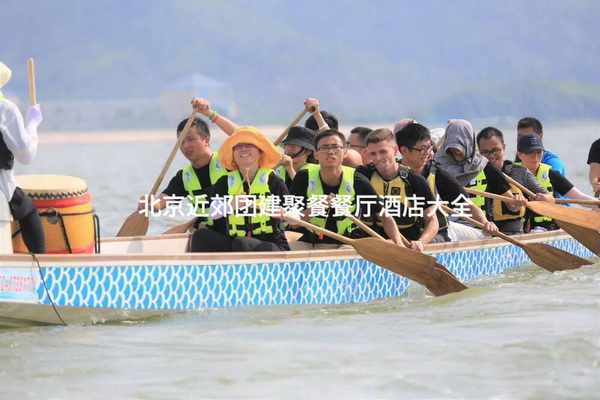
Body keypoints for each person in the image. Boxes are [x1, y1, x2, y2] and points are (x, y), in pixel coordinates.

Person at [289, 129, 404, 250]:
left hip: (346, 243)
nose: (330, 152)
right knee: (284, 250)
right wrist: (317, 207)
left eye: (335, 147)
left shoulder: (357, 179)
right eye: (324, 148)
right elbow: (294, 223)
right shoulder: (304, 177)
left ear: (344, 152)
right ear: (316, 154)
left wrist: (399, 245)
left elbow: (384, 217)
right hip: (310, 242)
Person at [137, 98, 236, 232]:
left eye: (190, 139)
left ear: (206, 141)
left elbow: (244, 136)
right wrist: (150, 204)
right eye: (181, 142)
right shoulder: (184, 177)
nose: (186, 146)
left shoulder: (228, 160)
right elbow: (161, 202)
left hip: (238, 230)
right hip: (208, 233)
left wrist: (210, 113)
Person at [191, 126, 291, 252]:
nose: (244, 148)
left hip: (271, 244)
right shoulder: (224, 182)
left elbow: (296, 218)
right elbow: (213, 213)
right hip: (236, 243)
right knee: (201, 235)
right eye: (238, 146)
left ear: (260, 152)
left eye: (249, 145)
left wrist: (284, 213)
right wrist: (230, 205)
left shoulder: (273, 181)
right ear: (233, 155)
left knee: (242, 242)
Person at [397, 123, 497, 241]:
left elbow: (467, 204)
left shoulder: (436, 173)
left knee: (486, 237)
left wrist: (486, 223)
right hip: (402, 232)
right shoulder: (391, 173)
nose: (428, 153)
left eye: (429, 147)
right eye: (422, 149)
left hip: (437, 232)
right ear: (404, 150)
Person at [434, 119, 526, 237]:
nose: (456, 153)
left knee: (448, 229)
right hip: (445, 225)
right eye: (452, 149)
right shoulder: (437, 167)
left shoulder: (486, 167)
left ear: (469, 143)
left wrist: (518, 202)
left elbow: (512, 206)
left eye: (460, 148)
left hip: (479, 228)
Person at [356, 128, 440, 250]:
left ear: (395, 150)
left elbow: (432, 221)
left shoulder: (415, 181)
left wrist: (421, 242)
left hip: (405, 245)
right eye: (373, 154)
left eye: (383, 152)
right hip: (369, 245)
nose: (378, 158)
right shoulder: (362, 174)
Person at [0, 61, 45, 253]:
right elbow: (26, 155)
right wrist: (32, 124)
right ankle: (43, 270)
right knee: (28, 210)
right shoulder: (5, 109)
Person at [516, 133, 600, 232]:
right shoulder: (510, 173)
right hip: (519, 229)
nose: (535, 157)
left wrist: (598, 204)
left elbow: (579, 197)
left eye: (538, 152)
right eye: (530, 152)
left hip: (547, 229)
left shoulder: (550, 174)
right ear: (519, 154)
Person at [476, 127, 553, 235]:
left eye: (496, 150)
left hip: (514, 236)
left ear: (504, 147)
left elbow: (550, 199)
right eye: (485, 152)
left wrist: (543, 198)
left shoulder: (520, 173)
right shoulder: (473, 175)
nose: (491, 156)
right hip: (481, 234)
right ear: (478, 152)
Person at [303, 98, 362, 167]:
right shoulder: (304, 155)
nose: (319, 143)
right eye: (315, 139)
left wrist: (317, 115)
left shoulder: (349, 155)